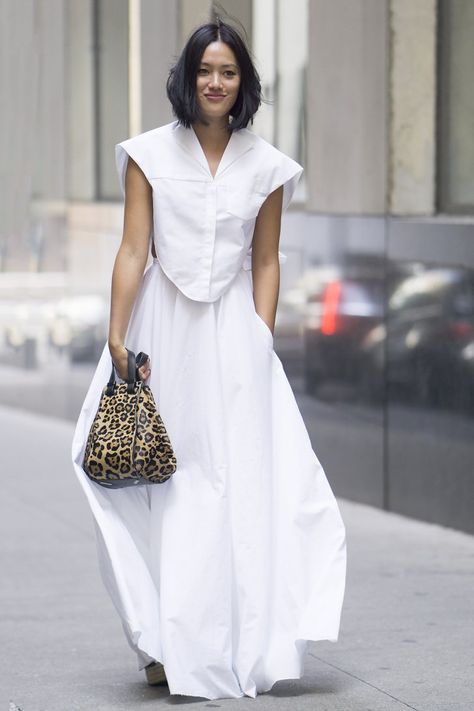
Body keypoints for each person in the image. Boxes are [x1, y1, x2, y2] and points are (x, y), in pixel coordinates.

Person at [71, 17, 347, 701]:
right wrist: (116, 334)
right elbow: (134, 250)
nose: (216, 82)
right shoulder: (148, 154)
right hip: (162, 331)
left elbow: (267, 259)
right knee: (163, 484)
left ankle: (228, 641)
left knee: (242, 487)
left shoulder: (268, 165)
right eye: (205, 71)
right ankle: (164, 639)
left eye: (228, 72)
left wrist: (260, 336)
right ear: (187, 79)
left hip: (234, 337)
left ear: (243, 82)